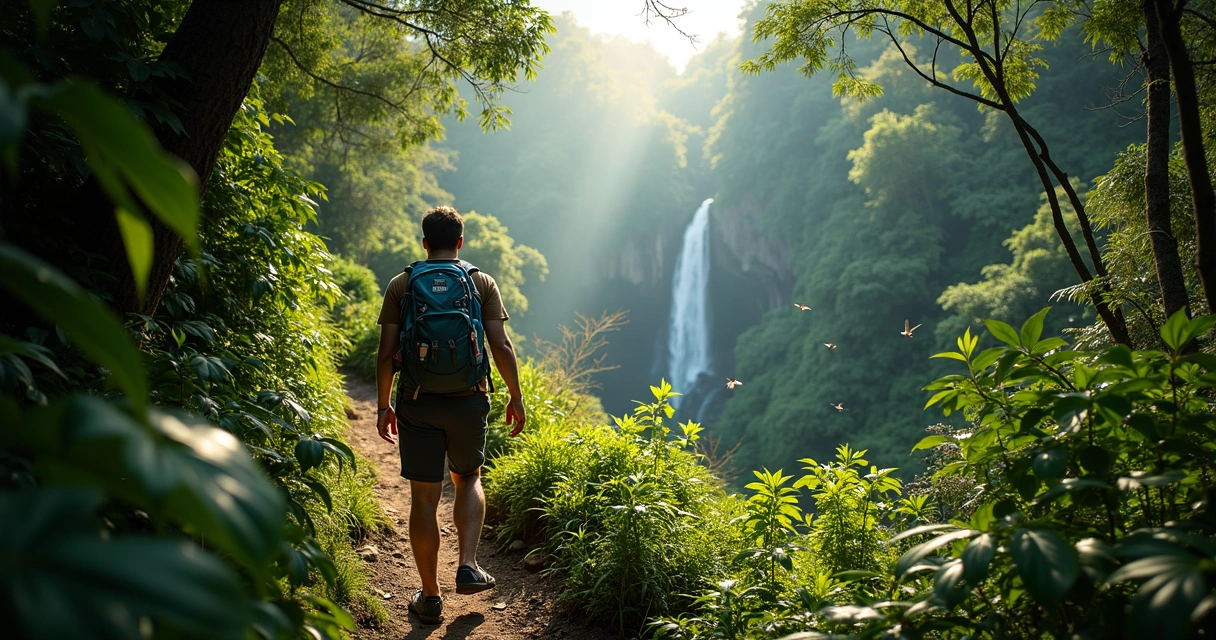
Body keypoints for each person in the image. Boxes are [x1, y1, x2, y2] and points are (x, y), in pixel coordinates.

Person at [374, 206, 527, 625]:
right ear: (460, 242)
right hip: (468, 399)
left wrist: (384, 405)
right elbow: (501, 345)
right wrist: (516, 397)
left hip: (417, 400)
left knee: (424, 496)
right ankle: (468, 566)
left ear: (425, 242)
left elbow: (386, 353)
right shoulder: (481, 281)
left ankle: (429, 596)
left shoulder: (402, 284)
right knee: (469, 478)